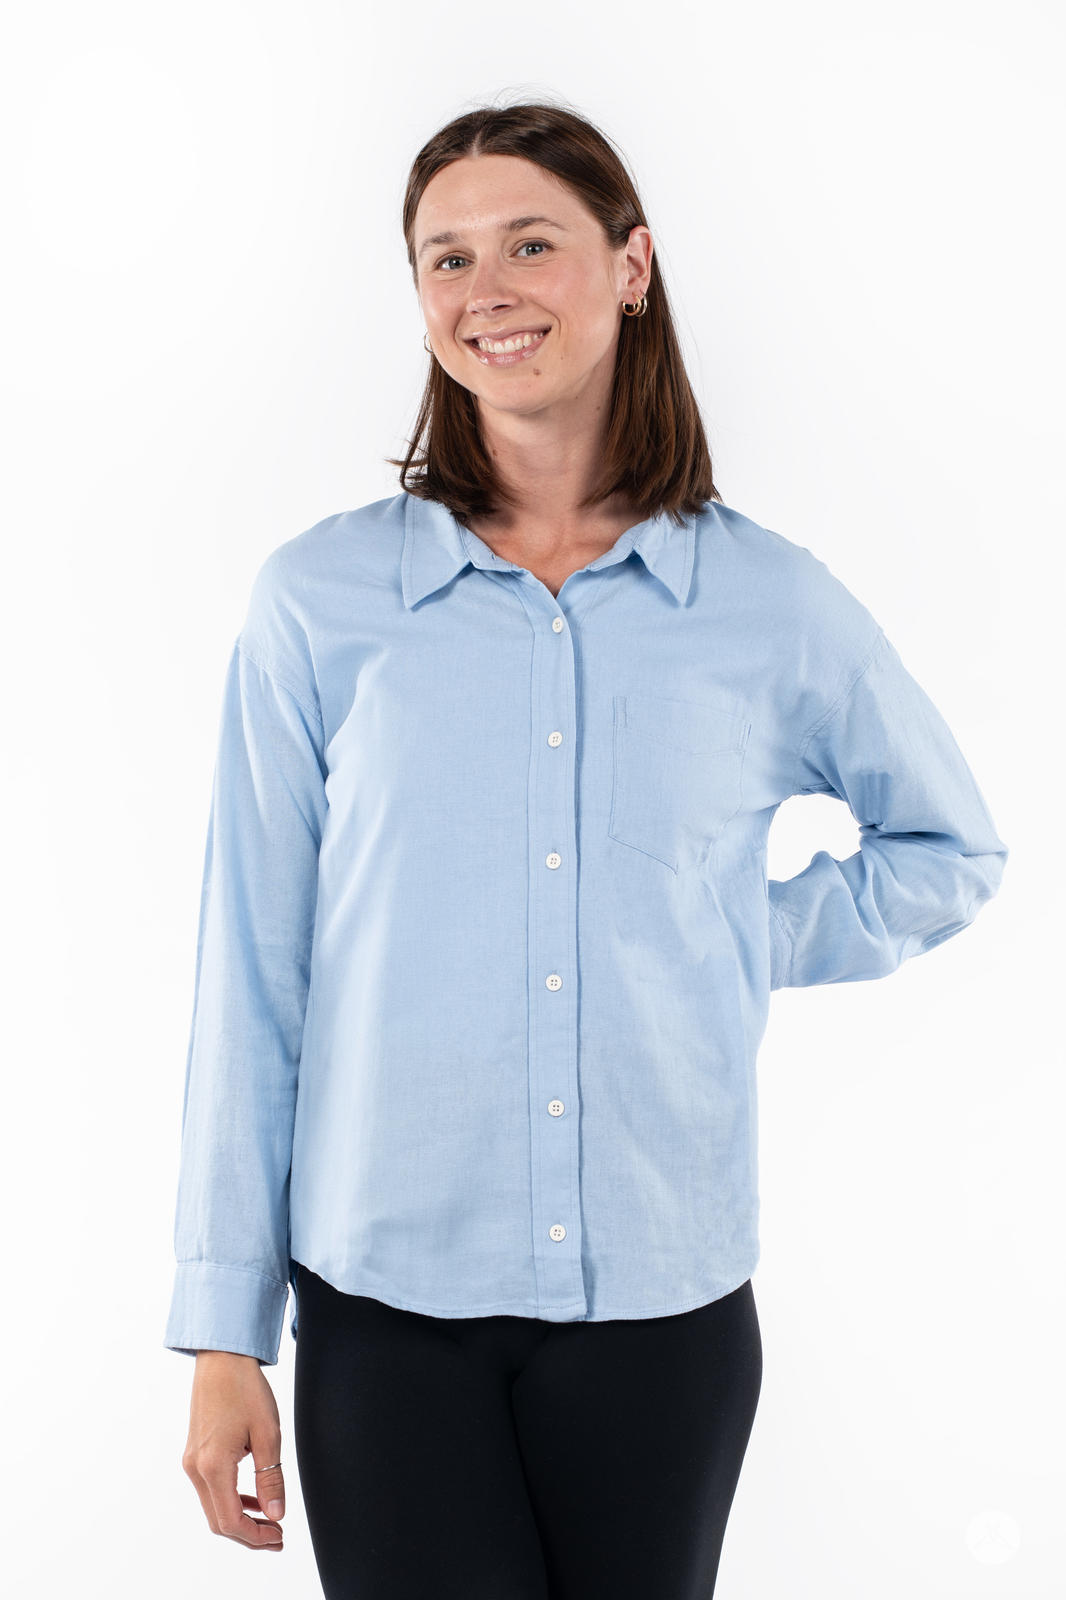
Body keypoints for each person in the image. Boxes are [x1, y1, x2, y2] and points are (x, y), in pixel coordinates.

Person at [164, 100, 1009, 1599]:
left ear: (629, 269)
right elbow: (254, 975)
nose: (486, 290)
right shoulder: (320, 604)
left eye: (530, 243)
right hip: (382, 1312)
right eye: (446, 258)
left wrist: (732, 928)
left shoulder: (764, 604)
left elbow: (947, 845)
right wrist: (226, 1329)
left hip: (664, 1315)